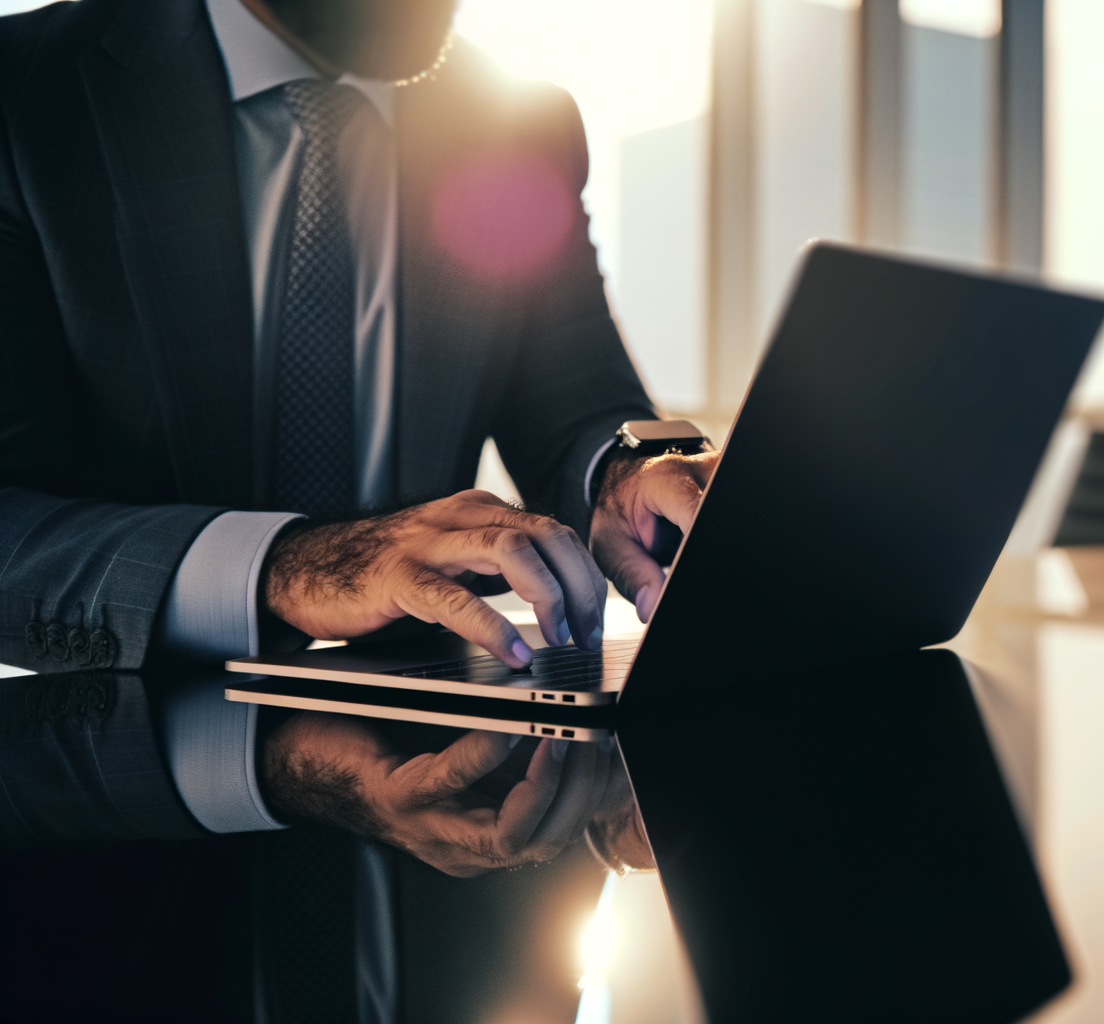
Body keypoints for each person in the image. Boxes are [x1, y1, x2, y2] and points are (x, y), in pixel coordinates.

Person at [0, 0, 682, 876]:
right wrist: (287, 567)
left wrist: (631, 471)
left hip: (466, 849)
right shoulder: (27, 94)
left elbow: (576, 404)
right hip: (106, 833)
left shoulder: (519, 122)